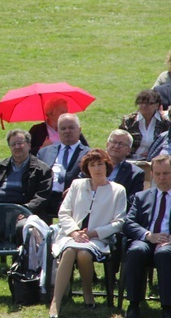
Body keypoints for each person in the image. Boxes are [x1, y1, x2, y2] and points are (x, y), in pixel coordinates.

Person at [49, 149, 126, 318]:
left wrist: (93, 233)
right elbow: (63, 213)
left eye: (100, 164)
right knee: (70, 251)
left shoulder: (118, 190)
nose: (97, 168)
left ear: (107, 166)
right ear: (87, 169)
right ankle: (56, 301)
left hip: (97, 239)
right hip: (71, 236)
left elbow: (119, 222)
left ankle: (87, 291)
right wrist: (74, 232)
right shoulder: (77, 185)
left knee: (84, 254)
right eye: (93, 165)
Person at [0, 129, 52, 275]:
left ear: (29, 145)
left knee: (22, 227)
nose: (17, 147)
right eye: (13, 144)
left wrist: (24, 209)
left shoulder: (41, 169)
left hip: (24, 213)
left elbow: (42, 196)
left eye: (20, 143)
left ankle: (20, 267)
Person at [122, 154, 171, 318]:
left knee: (164, 253)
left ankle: (167, 307)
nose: (161, 177)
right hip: (147, 239)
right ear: (151, 174)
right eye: (157, 174)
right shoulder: (141, 197)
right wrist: (148, 235)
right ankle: (133, 305)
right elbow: (128, 223)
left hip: (168, 242)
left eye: (166, 173)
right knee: (136, 251)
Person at [38, 113, 91, 216]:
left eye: (71, 127)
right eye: (63, 128)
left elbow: (94, 178)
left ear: (79, 130)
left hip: (73, 199)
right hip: (45, 198)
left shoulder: (89, 154)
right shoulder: (44, 152)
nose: (67, 131)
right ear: (58, 131)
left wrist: (77, 187)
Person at [119, 90, 171, 160]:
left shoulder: (165, 123)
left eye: (148, 103)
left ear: (157, 105)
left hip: (154, 162)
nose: (143, 106)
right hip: (129, 160)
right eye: (141, 103)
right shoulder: (129, 121)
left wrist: (152, 153)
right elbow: (121, 141)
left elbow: (167, 144)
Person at [103, 130, 145, 206]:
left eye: (121, 144)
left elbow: (131, 201)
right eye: (114, 142)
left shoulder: (135, 174)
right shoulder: (92, 165)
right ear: (107, 145)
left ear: (129, 151)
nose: (116, 146)